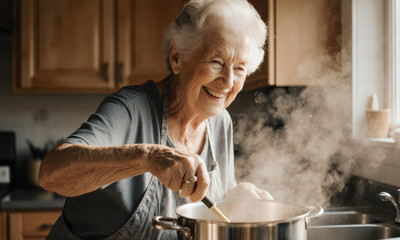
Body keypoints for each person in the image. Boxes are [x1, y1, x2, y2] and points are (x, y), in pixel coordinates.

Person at [39, 0, 271, 239]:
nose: (228, 81)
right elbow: (51, 174)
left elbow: (207, 209)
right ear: (176, 58)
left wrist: (235, 197)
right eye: (216, 62)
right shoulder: (131, 108)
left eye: (240, 68)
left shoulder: (220, 121)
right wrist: (148, 157)